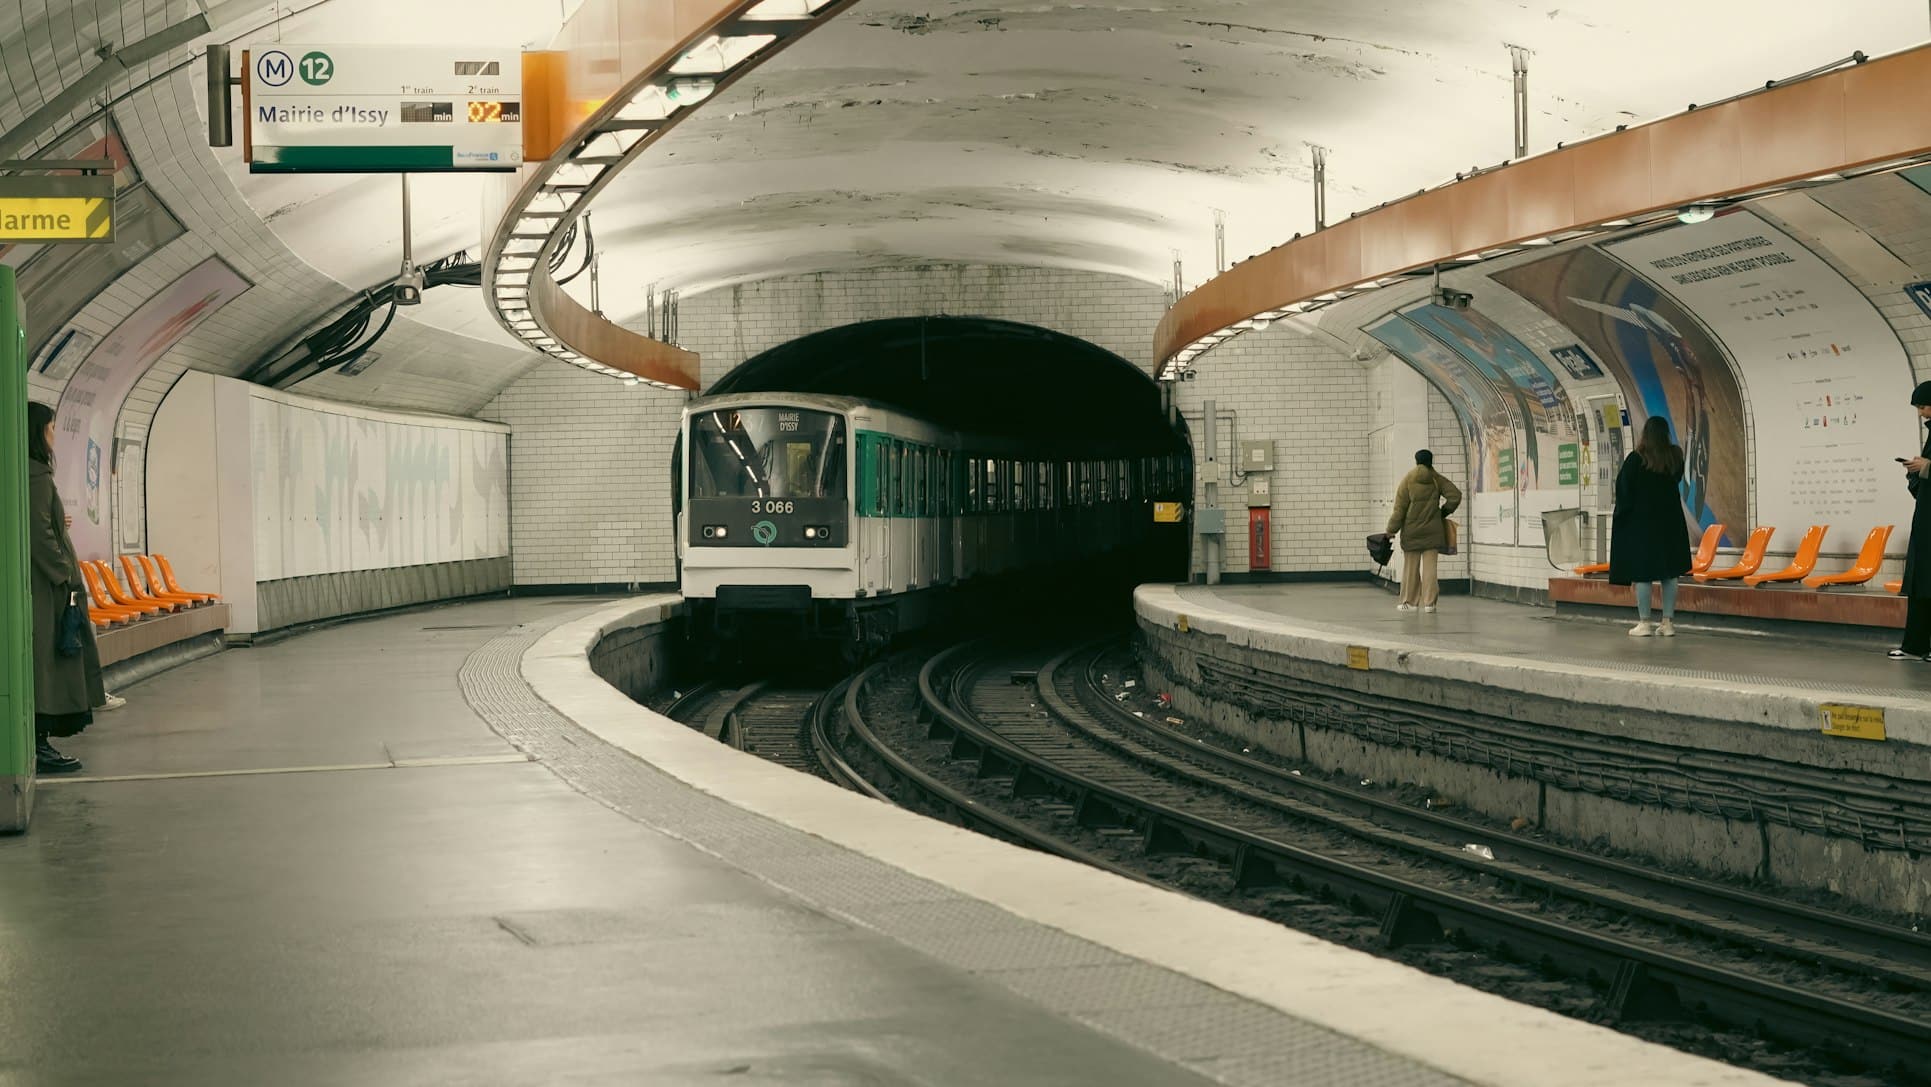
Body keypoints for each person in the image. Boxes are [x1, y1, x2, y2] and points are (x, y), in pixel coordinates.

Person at [26, 401, 105, 773]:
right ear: (38, 432)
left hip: (45, 585)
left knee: (47, 661)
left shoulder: (29, 475)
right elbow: (39, 535)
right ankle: (38, 742)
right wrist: (63, 574)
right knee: (48, 663)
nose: (55, 435)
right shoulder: (36, 476)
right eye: (51, 428)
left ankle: (38, 740)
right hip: (48, 589)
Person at [1610, 416, 1694, 637]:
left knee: (1643, 574)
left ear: (1645, 434)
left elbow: (1623, 491)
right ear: (1666, 433)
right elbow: (1675, 479)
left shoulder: (1636, 459)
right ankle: (1668, 624)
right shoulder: (1675, 456)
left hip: (1643, 525)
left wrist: (1622, 515)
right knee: (1669, 574)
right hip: (1670, 522)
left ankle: (1644, 623)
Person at [1386, 449, 1461, 613]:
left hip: (1411, 532)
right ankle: (1429, 604)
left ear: (1416, 461)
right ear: (1431, 461)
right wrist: (1442, 512)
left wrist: (1391, 530)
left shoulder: (1408, 480)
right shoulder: (1437, 479)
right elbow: (1455, 496)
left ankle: (1410, 602)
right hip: (1433, 532)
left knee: (1410, 569)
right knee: (1430, 570)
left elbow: (1399, 509)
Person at [1893, 381, 1931, 661]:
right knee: (1920, 582)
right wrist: (1915, 471)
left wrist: (1926, 467)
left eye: (1923, 406)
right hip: (1925, 520)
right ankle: (1915, 645)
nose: (1921, 413)